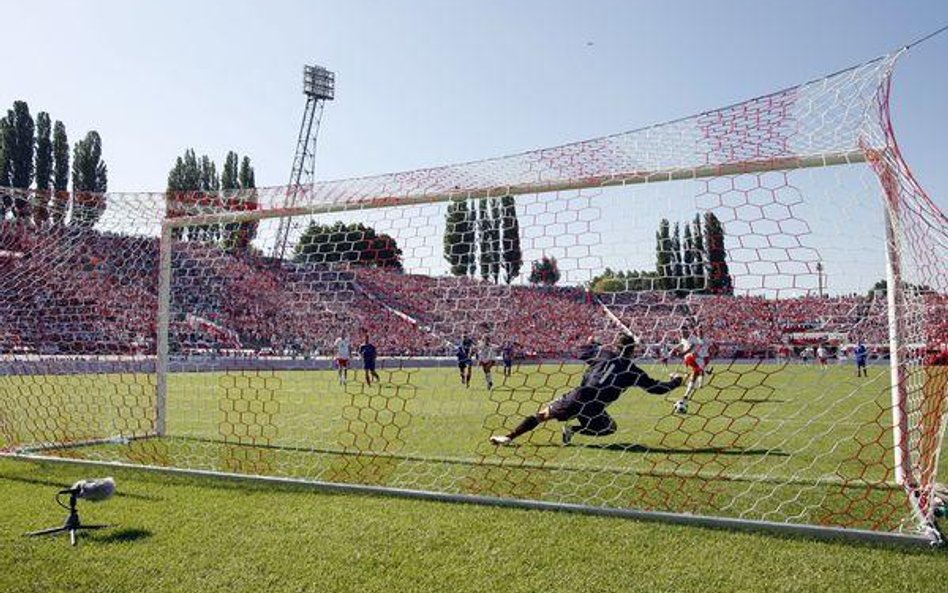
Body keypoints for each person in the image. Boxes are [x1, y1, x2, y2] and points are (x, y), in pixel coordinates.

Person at [489, 332, 683, 446]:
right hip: (595, 407)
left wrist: (591, 343)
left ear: (616, 346)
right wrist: (675, 382)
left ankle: (508, 437)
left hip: (579, 395)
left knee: (541, 415)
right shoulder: (633, 371)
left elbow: (580, 351)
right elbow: (656, 388)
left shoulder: (604, 353)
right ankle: (574, 429)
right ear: (633, 351)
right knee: (609, 429)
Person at [674, 327, 705, 414]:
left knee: (696, 374)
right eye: (681, 332)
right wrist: (676, 348)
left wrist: (683, 353)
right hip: (690, 358)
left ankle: (687, 394)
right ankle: (687, 393)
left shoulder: (692, 338)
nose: (682, 334)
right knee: (696, 373)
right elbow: (682, 344)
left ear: (687, 331)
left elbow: (692, 347)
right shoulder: (683, 339)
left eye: (683, 332)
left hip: (695, 358)